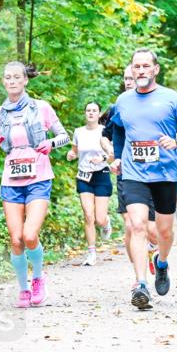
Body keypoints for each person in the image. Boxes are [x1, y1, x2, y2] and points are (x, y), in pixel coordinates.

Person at [110, 49, 177, 309]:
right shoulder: (123, 100)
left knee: (163, 231)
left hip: (164, 173)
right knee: (137, 226)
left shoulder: (171, 98)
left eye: (145, 66)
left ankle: (161, 263)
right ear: (132, 69)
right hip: (134, 173)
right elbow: (118, 129)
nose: (141, 71)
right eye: (136, 66)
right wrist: (118, 157)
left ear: (155, 69)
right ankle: (141, 284)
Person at [0, 61, 70, 306]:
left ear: (25, 80)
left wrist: (51, 144)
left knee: (30, 235)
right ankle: (23, 289)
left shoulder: (41, 108)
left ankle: (39, 278)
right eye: (7, 77)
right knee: (16, 239)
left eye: (16, 77)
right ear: (4, 81)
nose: (11, 81)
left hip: (39, 178)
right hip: (11, 181)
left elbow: (65, 136)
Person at [104, 66, 158, 278]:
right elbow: (105, 135)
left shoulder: (156, 102)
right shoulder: (118, 106)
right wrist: (110, 150)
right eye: (125, 78)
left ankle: (154, 252)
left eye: (131, 77)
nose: (128, 81)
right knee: (131, 225)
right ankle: (139, 277)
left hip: (153, 173)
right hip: (126, 173)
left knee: (152, 230)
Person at [67, 102, 114, 266]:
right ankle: (91, 253)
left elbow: (112, 154)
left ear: (99, 113)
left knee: (99, 219)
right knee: (88, 214)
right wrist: (71, 154)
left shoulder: (105, 131)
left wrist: (102, 158)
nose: (91, 113)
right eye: (88, 110)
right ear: (85, 113)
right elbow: (75, 149)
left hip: (102, 174)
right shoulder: (78, 132)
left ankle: (106, 222)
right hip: (84, 176)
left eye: (94, 110)